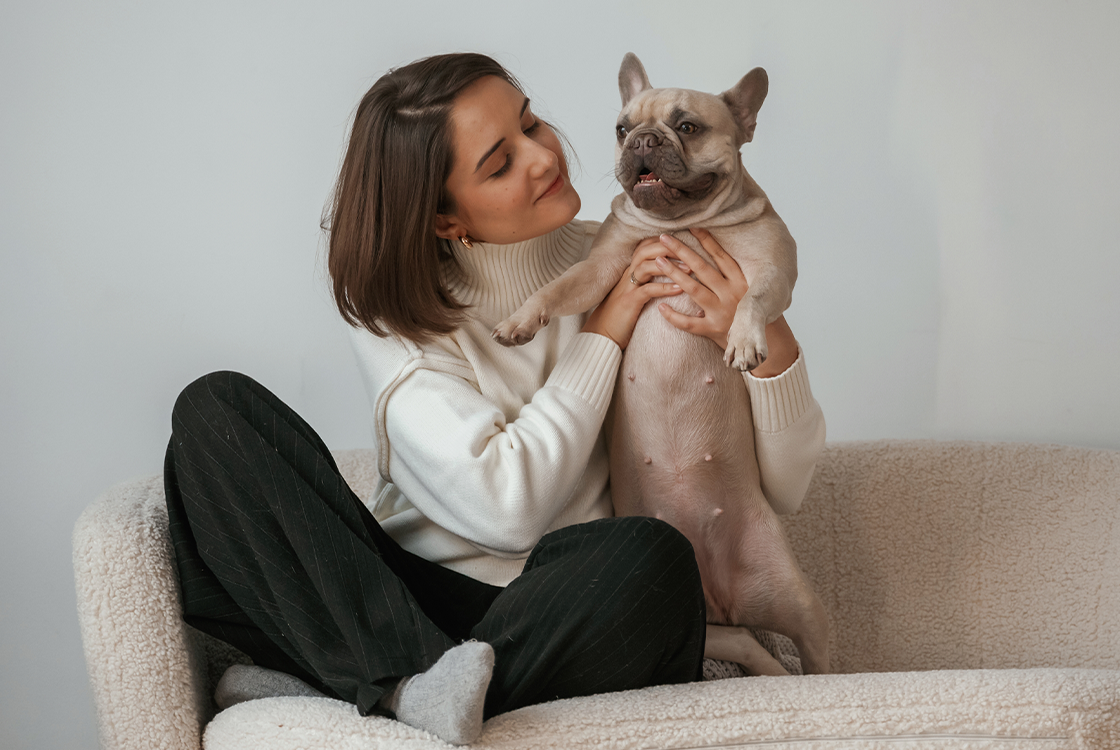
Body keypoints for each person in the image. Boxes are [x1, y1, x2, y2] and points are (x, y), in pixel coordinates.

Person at [164, 52, 825, 746]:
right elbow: (508, 510)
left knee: (648, 558)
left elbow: (783, 488)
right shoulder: (396, 317)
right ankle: (406, 679)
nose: (543, 157)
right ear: (447, 221)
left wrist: (770, 342)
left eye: (531, 123)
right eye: (500, 164)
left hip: (559, 603)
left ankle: (358, 682)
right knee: (214, 411)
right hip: (405, 595)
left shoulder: (645, 247)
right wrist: (605, 328)